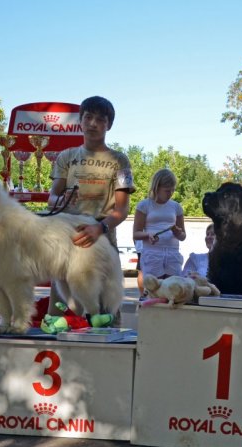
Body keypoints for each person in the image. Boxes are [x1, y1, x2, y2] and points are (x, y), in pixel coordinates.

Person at [47, 96, 135, 315]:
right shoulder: (66, 157)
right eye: (88, 117)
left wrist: (100, 228)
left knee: (105, 311)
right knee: (61, 312)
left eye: (100, 119)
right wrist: (61, 200)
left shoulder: (120, 161)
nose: (93, 123)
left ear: (109, 125)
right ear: (80, 120)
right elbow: (51, 198)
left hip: (102, 237)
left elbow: (122, 209)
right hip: (68, 238)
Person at [133, 169, 185, 279]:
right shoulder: (144, 205)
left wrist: (178, 232)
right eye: (167, 191)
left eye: (172, 190)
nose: (170, 194)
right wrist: (147, 235)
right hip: (152, 254)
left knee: (174, 290)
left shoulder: (176, 207)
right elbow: (136, 234)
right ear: (156, 188)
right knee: (155, 290)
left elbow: (183, 236)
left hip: (172, 254)